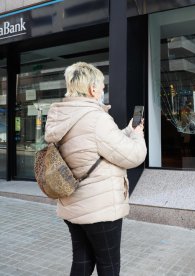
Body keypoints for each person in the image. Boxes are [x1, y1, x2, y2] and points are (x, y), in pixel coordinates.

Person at [44, 62, 147, 276]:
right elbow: (132, 155)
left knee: (82, 261)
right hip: (100, 207)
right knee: (108, 265)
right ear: (92, 89)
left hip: (73, 203)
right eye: (102, 86)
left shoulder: (62, 116)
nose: (103, 90)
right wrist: (138, 135)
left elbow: (96, 147)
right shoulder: (96, 118)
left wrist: (128, 130)